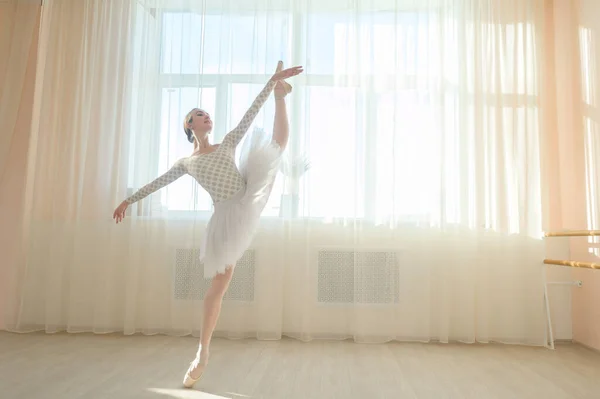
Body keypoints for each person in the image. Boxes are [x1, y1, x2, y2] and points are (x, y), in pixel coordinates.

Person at [112, 61, 303, 388]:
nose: (206, 116)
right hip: (226, 216)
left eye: (207, 113)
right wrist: (129, 200)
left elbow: (248, 116)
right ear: (189, 125)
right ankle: (202, 354)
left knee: (272, 149)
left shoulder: (227, 142)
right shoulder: (186, 162)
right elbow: (159, 182)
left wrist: (272, 83)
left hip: (248, 190)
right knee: (217, 287)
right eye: (199, 114)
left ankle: (281, 98)